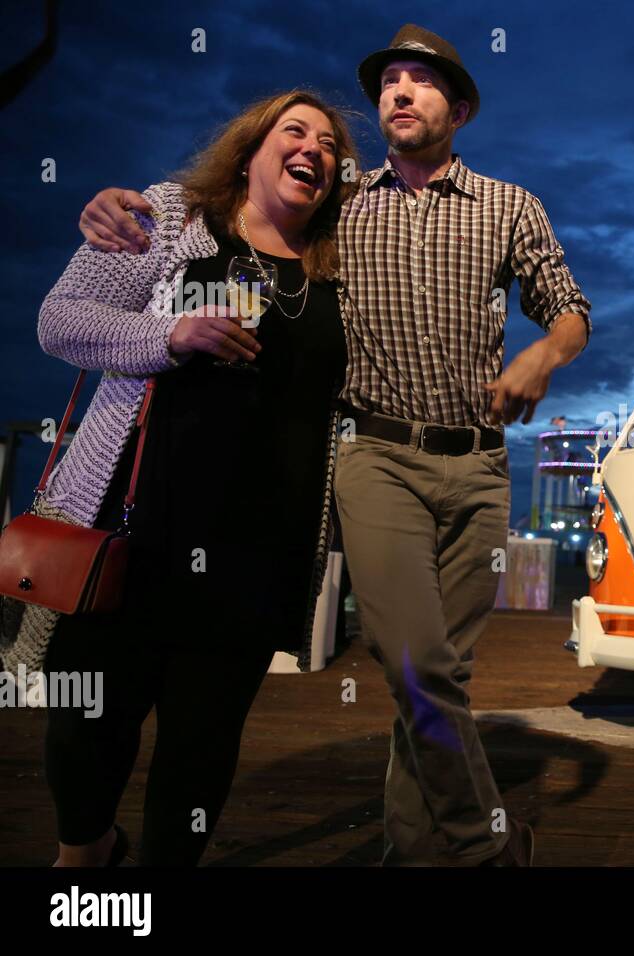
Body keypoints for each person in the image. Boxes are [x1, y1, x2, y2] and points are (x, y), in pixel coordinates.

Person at [76, 25, 593, 866]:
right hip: (378, 458)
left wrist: (544, 351)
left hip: (483, 467)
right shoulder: (342, 206)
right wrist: (121, 203)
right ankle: (486, 846)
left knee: (436, 680)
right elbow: (232, 210)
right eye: (390, 80)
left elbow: (569, 306)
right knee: (416, 661)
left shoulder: (512, 206)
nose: (399, 93)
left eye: (421, 83)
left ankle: (413, 851)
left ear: (457, 108)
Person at [7, 90, 360, 866]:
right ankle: (87, 852)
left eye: (330, 144)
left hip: (258, 550)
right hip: (131, 531)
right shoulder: (169, 216)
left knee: (202, 746)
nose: (314, 148)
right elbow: (60, 321)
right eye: (294, 131)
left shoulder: (342, 259)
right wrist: (171, 330)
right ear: (250, 147)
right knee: (84, 723)